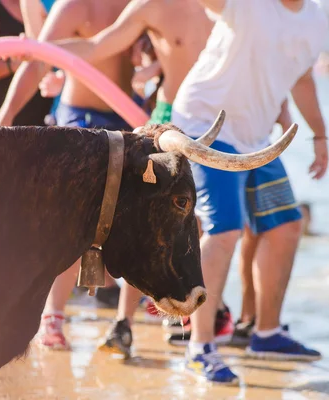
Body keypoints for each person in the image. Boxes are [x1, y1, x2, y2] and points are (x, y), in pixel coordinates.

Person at [43, 0, 217, 357]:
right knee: (79, 224)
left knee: (167, 222)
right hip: (107, 119)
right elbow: (94, 46)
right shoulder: (142, 5)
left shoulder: (222, 10)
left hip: (135, 123)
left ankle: (167, 315)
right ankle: (57, 316)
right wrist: (34, 53)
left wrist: (151, 66)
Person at [171, 0, 329, 383]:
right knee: (224, 230)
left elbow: (302, 79)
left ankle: (267, 334)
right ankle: (200, 347)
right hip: (207, 125)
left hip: (255, 139)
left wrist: (320, 134)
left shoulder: (316, 21)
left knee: (286, 226)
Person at [0, 0, 135, 350]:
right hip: (80, 120)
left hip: (129, 117)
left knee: (138, 219)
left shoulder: (140, 4)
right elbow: (39, 58)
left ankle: (126, 321)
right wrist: (5, 116)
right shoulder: (76, 6)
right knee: (75, 222)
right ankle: (52, 315)